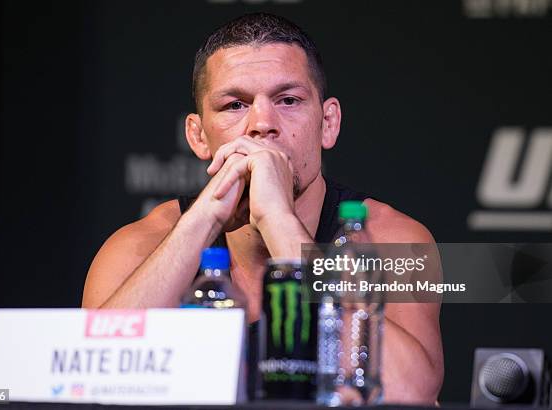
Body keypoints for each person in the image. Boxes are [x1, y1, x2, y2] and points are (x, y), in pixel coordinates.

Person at [82, 13, 443, 404]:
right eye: (235, 105)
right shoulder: (140, 246)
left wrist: (279, 223)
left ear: (328, 123)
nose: (262, 124)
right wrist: (201, 221)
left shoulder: (392, 240)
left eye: (288, 100)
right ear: (198, 136)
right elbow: (90, 380)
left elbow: (410, 393)